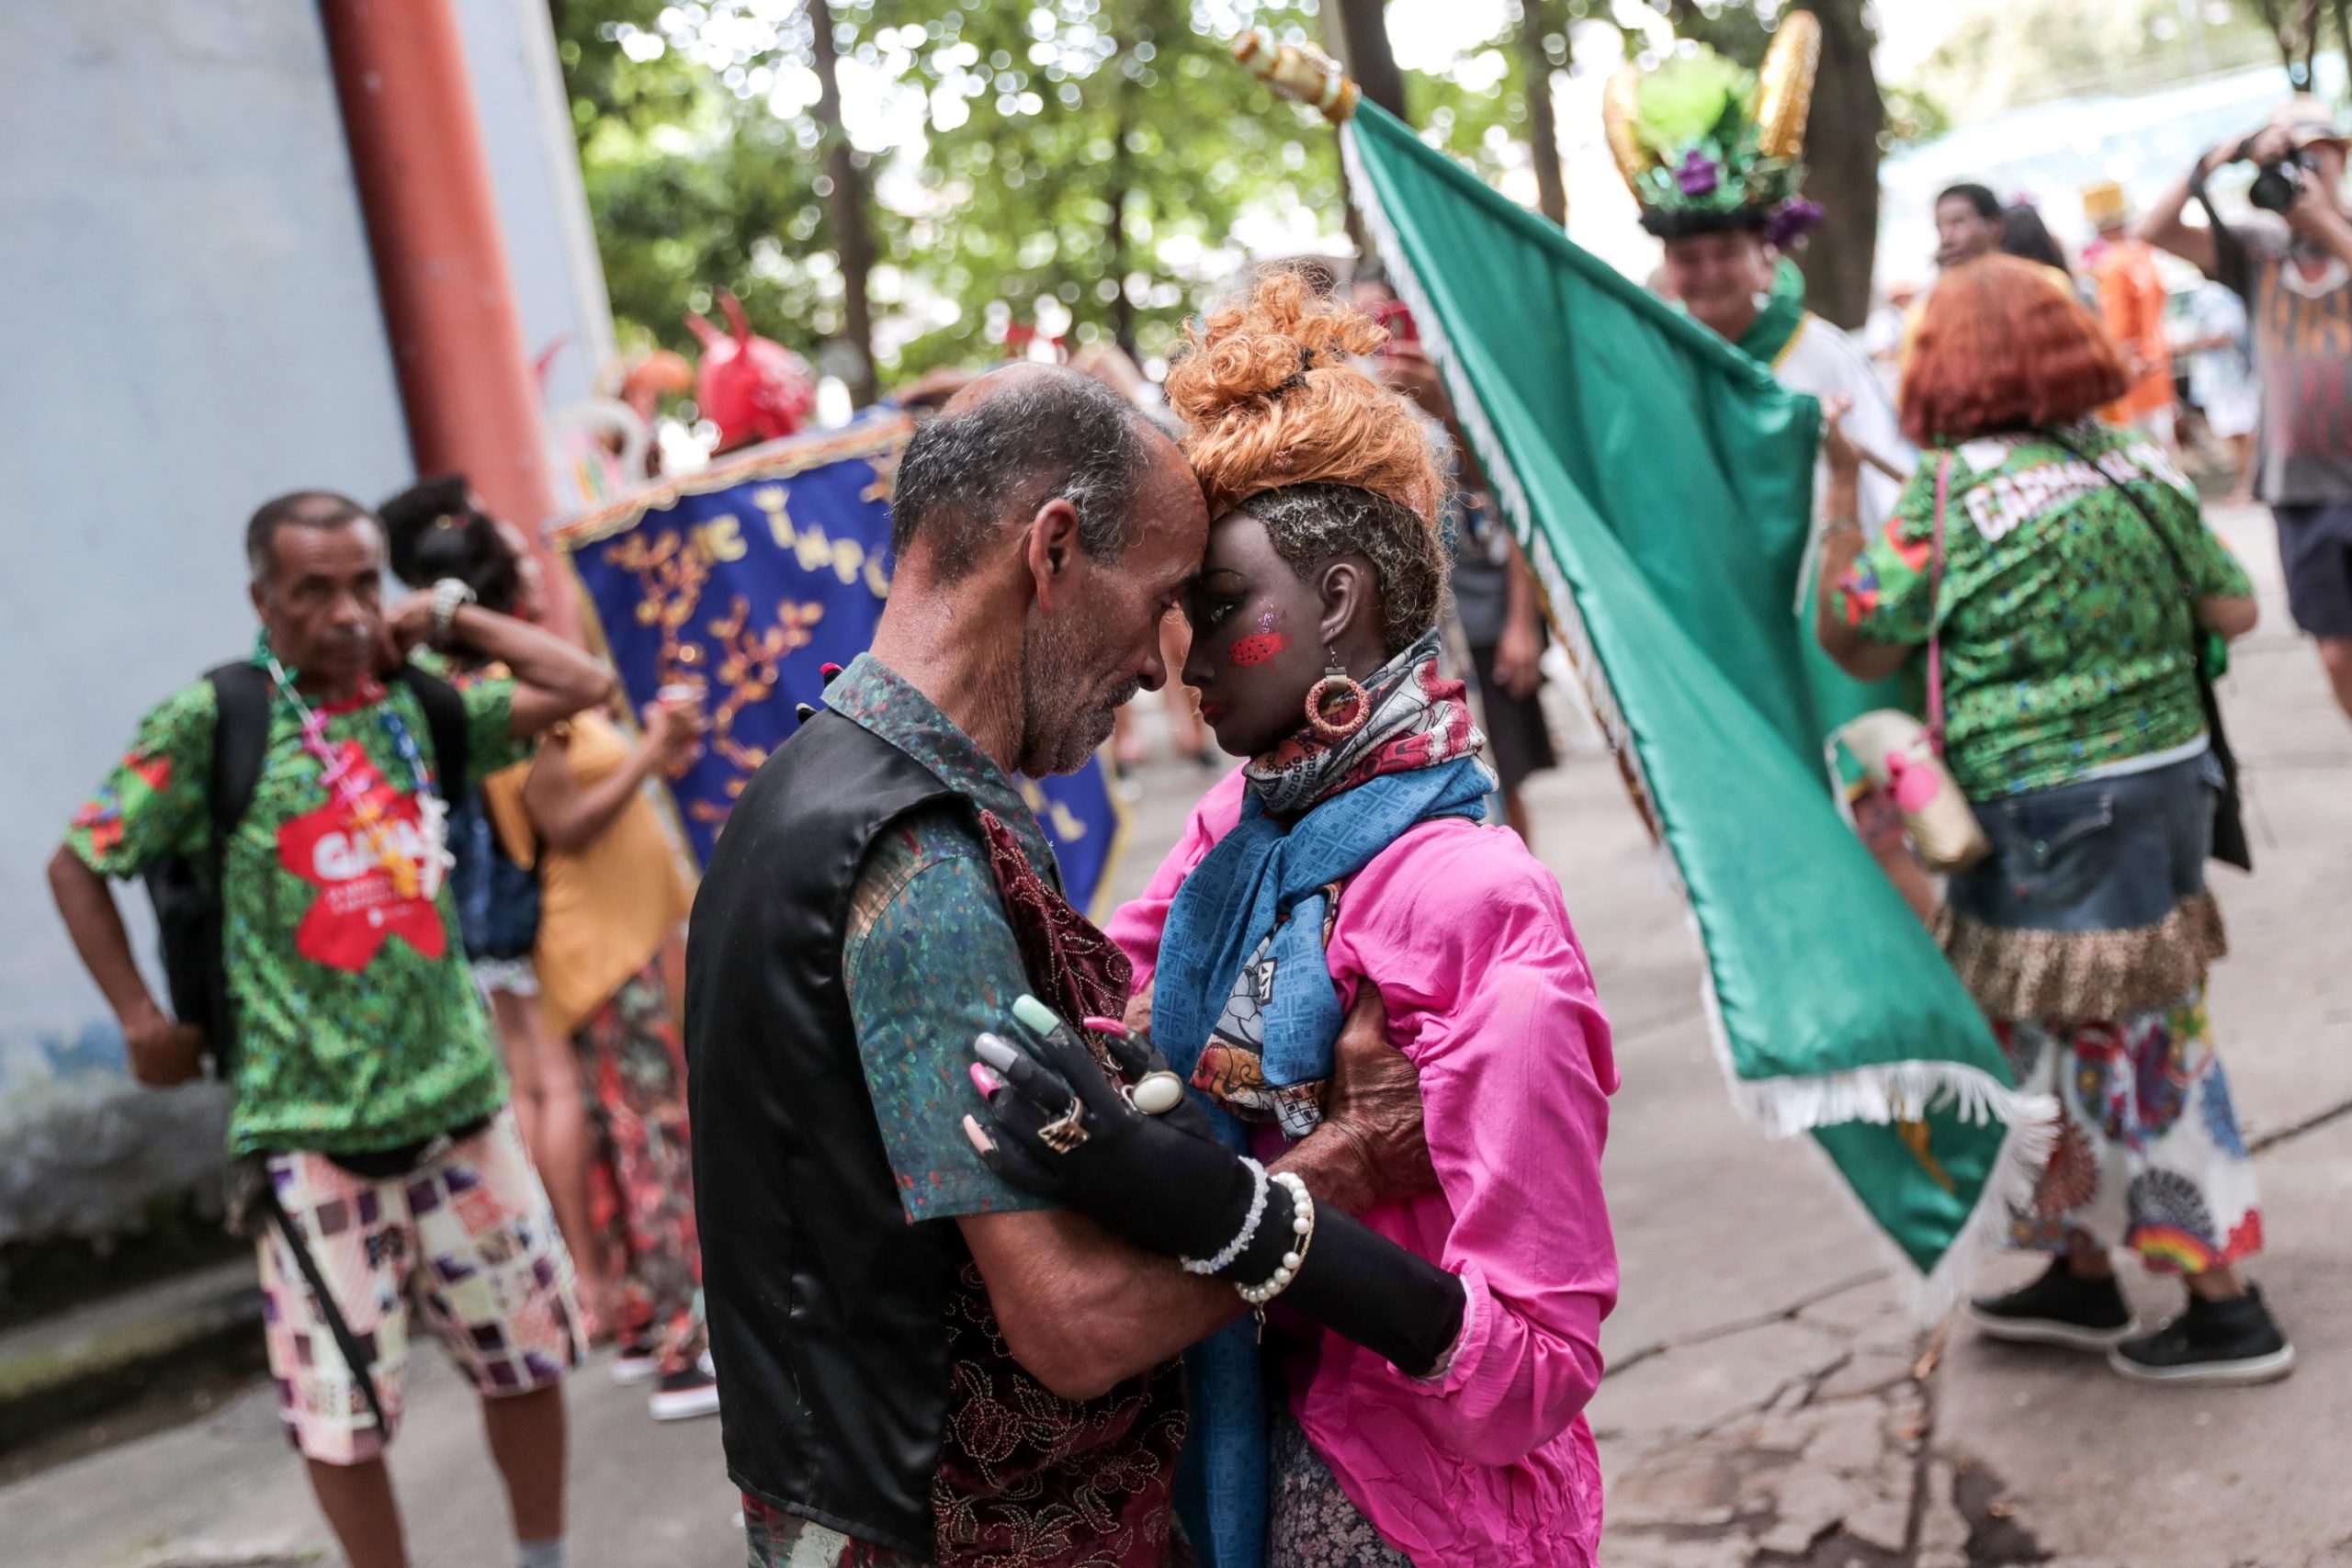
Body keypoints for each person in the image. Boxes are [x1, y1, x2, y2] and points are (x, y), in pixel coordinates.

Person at [684, 364, 1438, 1565]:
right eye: (1157, 603)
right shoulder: (915, 865)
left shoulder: (823, 779)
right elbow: (1073, 1325)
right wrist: (1347, 1158)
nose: (1160, 667)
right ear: (1055, 549)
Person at [971, 271, 1620, 1566]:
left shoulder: (1478, 904)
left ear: (1334, 601)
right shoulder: (1235, 833)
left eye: (1218, 610)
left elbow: (1539, 1366)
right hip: (1243, 1446)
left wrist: (1246, 1215)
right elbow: (1118, 1011)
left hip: (1419, 1508)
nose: (1183, 661)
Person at [49, 491, 615, 1568]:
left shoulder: (418, 702)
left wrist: (447, 616)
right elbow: (80, 858)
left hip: (462, 1109)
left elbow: (582, 687)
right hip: (309, 1136)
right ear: (264, 600)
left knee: (526, 1364)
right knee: (340, 1418)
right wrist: (138, 1018)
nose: (348, 611)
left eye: (363, 582)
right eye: (316, 590)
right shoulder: (216, 721)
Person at [1815, 255, 2290, 1386]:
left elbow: (1854, 635)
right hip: (2168, 791)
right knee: (2055, 1037)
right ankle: (2077, 1270)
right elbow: (2232, 603)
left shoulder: (1943, 495)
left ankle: (2224, 1305)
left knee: (2133, 1046)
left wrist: (1841, 493)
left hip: (2043, 817)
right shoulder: (2133, 463)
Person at [382, 479, 718, 1424]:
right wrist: (649, 754)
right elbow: (561, 819)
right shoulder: (507, 696)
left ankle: (652, 1317)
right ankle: (690, 1350)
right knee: (658, 1133)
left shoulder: (498, 690)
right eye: (520, 561)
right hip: (601, 942)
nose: (536, 570)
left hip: (609, 936)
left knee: (630, 1133)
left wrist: (657, 750)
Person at [1626, 38, 1931, 919]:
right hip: (1723, 626)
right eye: (1690, 259)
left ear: (1764, 251)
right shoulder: (1661, 363)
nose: (1708, 272)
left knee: (1879, 828)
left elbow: (1891, 490)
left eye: (1725, 250)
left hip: (1832, 619)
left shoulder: (1818, 352)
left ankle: (1951, 1012)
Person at [2139, 96, 2352, 721]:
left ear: (2340, 160)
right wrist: (2224, 153)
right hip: (2300, 487)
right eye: (2292, 160)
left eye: (2315, 156)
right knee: (2335, 650)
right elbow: (2154, 230)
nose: (2303, 173)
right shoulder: (2260, 250)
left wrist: (2326, 226)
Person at [1349, 266, 1555, 843]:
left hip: (1479, 619)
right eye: (1362, 322)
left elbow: (1515, 510)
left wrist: (1522, 623)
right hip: (1410, 641)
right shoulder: (1350, 415)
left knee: (1499, 771)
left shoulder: (1459, 397)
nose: (1379, 336)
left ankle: (1520, 888)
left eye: (1387, 318)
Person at [2080, 182, 2178, 452]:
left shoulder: (2113, 265)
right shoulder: (2144, 256)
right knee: (2163, 442)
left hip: (2135, 368)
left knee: (2143, 448)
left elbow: (2119, 326)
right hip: (2157, 360)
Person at [1936, 183, 2006, 274]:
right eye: (1939, 226)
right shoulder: (1942, 286)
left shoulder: (2024, 282)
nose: (1946, 239)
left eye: (1958, 222)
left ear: (1994, 225)